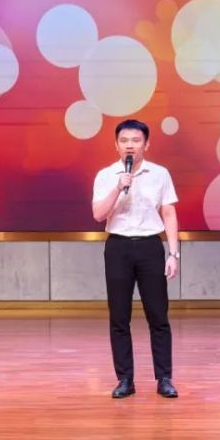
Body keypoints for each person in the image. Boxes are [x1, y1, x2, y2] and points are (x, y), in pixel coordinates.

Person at [92, 118, 180, 399]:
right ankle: (125, 379)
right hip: (118, 247)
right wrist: (118, 187)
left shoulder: (160, 174)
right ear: (116, 145)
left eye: (136, 140)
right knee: (119, 317)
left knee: (158, 315)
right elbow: (98, 214)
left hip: (150, 246)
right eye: (124, 140)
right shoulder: (106, 175)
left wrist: (173, 253)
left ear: (146, 144)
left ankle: (164, 378)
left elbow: (169, 213)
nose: (130, 145)